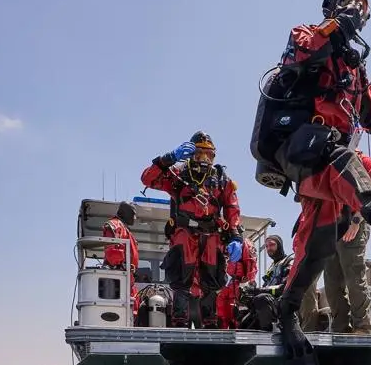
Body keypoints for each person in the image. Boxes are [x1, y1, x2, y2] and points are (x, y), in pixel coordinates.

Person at [249, 0, 371, 365]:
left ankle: (286, 312)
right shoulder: (307, 34)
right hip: (301, 148)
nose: (358, 9)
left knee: (317, 244)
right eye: (352, 1)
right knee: (351, 162)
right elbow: (303, 52)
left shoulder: (355, 68)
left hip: (331, 171)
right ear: (334, 4)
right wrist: (336, 27)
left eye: (364, 7)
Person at [141, 131, 242, 328]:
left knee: (212, 277)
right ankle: (179, 321)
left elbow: (232, 208)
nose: (204, 159)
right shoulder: (177, 175)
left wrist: (236, 236)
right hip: (184, 231)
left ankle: (210, 322)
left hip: (211, 233)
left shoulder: (222, 181)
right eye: (199, 154)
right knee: (181, 275)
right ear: (190, 154)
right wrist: (168, 158)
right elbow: (147, 178)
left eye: (208, 155)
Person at [324, 153, 371, 333]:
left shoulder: (366, 162)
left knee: (354, 277)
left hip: (354, 223)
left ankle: (362, 327)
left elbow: (370, 197)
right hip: (332, 227)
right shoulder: (330, 161)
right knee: (331, 281)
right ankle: (340, 327)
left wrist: (356, 221)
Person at [101, 201, 141, 317]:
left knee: (133, 309)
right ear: (126, 213)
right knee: (119, 312)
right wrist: (122, 266)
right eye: (133, 214)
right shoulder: (115, 225)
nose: (134, 218)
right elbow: (112, 252)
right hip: (118, 279)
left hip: (127, 278)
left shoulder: (123, 227)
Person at [216, 228, 258, 329]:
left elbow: (251, 262)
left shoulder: (244, 244)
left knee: (236, 316)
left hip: (236, 285)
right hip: (221, 286)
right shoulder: (218, 242)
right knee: (221, 317)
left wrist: (248, 281)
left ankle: (239, 340)